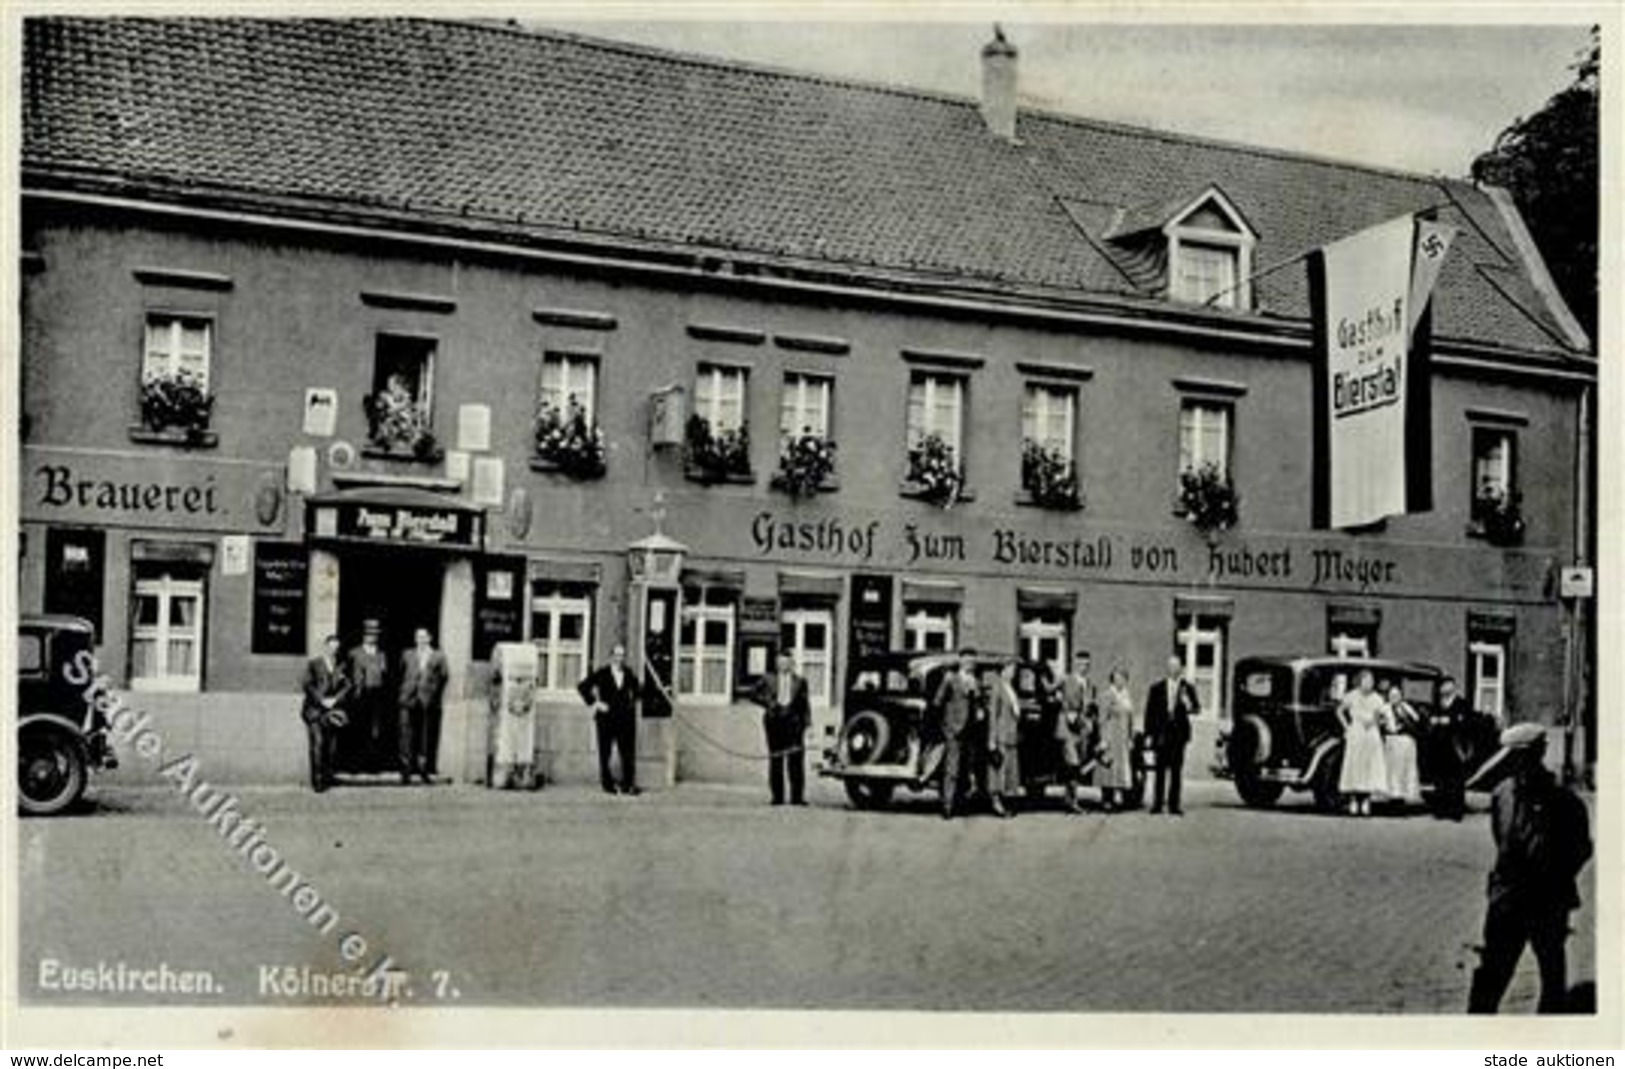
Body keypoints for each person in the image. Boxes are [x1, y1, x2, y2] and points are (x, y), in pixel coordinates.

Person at [1467, 722, 1592, 1014]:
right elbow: (1502, 840)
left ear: (1539, 754)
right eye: (1512, 759)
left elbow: (1581, 849)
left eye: (1522, 757)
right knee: (1492, 975)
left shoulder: (1565, 802)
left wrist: (1555, 875)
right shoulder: (1503, 794)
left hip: (1546, 899)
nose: (1517, 765)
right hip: (1507, 900)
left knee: (1551, 974)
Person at [577, 643, 643, 796]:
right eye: (617, 655)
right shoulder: (602, 673)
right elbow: (582, 687)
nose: (619, 659)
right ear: (611, 656)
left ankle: (628, 784)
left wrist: (633, 702)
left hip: (624, 719)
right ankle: (608, 784)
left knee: (627, 752)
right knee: (605, 752)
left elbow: (639, 690)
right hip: (606, 719)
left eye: (622, 655)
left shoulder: (628, 673)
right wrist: (595, 703)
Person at [752, 650, 811, 806]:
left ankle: (797, 798)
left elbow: (805, 705)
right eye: (781, 662)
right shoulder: (768, 679)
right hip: (774, 723)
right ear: (776, 664)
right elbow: (753, 694)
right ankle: (777, 797)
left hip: (794, 724)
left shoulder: (800, 681)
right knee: (776, 760)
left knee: (796, 761)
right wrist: (769, 703)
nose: (784, 665)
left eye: (787, 662)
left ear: (792, 664)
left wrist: (807, 724)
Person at [1143, 655, 1198, 816]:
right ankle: (1157, 804)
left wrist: (1187, 703)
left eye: (1176, 666)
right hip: (1161, 734)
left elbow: (1196, 708)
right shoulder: (1157, 688)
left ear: (1181, 668)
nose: (1173, 669)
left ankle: (1174, 805)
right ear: (1167, 669)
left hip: (1179, 735)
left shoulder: (1187, 688)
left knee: (1176, 771)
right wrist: (1149, 734)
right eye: (1171, 666)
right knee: (1160, 770)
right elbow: (1149, 713)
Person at [300, 634, 351, 793]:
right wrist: (322, 700)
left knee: (331, 746)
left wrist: (336, 699)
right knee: (318, 744)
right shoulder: (314, 664)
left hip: (333, 711)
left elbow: (348, 685)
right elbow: (307, 685)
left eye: (336, 648)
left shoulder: (341, 665)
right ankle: (318, 781)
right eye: (331, 647)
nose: (333, 650)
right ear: (325, 647)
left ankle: (328, 775)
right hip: (315, 711)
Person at [933, 649, 981, 820]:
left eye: (972, 661)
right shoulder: (950, 679)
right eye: (967, 660)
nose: (970, 664)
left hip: (970, 730)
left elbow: (976, 703)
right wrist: (946, 725)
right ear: (960, 661)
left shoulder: (975, 681)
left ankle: (961, 803)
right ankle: (947, 805)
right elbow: (937, 701)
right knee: (951, 768)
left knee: (965, 767)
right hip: (953, 728)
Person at [397, 626, 449, 785]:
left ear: (429, 638)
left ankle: (423, 770)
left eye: (423, 636)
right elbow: (400, 673)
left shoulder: (438, 656)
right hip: (408, 699)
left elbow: (444, 676)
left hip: (428, 701)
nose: (420, 639)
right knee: (405, 735)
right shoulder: (407, 654)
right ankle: (405, 771)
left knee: (425, 737)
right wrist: (404, 691)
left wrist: (433, 694)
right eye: (417, 637)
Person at [1336, 668, 1388, 816]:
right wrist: (1346, 726)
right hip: (1356, 732)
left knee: (1369, 766)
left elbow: (1383, 716)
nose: (1369, 683)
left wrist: (1375, 721)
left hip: (1371, 734)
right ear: (1360, 681)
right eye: (1366, 680)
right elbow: (1339, 711)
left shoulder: (1377, 698)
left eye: (1371, 680)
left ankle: (1366, 800)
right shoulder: (1351, 696)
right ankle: (1353, 799)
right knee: (1354, 765)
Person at [1053, 650, 1095, 814]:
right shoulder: (1066, 679)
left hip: (1082, 728)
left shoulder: (1088, 683)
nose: (1083, 667)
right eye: (1080, 664)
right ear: (1074, 664)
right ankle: (1072, 801)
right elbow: (1051, 689)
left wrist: (1089, 721)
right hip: (1067, 728)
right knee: (1073, 763)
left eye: (1086, 665)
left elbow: (1088, 705)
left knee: (1078, 764)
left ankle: (1069, 798)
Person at [346, 618, 390, 771]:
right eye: (369, 634)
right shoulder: (353, 653)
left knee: (375, 731)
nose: (372, 637)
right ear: (363, 635)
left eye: (375, 634)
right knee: (357, 729)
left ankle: (372, 764)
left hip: (376, 696)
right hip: (359, 695)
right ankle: (354, 765)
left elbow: (385, 675)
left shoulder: (381, 654)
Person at [1428, 675, 1471, 820]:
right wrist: (1434, 721)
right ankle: (1441, 810)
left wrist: (1450, 721)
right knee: (1440, 779)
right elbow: (1430, 719)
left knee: (1456, 779)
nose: (1445, 689)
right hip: (1439, 746)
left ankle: (1456, 811)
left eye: (1448, 686)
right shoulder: (1437, 703)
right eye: (1443, 686)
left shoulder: (1461, 703)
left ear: (1453, 687)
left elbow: (1465, 722)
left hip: (1454, 746)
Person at [984, 660, 1022, 819]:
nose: (1013, 673)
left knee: (1010, 771)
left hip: (1012, 735)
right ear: (1003, 670)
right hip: (1001, 735)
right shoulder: (998, 687)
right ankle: (995, 802)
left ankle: (1006, 801)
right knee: (998, 769)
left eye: (1014, 670)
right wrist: (991, 739)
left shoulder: (1010, 688)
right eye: (1011, 669)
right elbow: (993, 715)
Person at [1097, 666, 1136, 813]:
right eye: (1117, 678)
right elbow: (1102, 719)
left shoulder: (1126, 696)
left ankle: (1116, 798)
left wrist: (1131, 737)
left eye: (1123, 678)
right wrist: (1103, 739)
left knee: (1120, 770)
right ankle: (1106, 800)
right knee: (1109, 768)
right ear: (1112, 679)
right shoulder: (1107, 695)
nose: (1120, 681)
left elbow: (1130, 719)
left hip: (1123, 738)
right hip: (1111, 736)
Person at [1381, 683, 1423, 809]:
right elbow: (1379, 721)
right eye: (1392, 695)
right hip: (1392, 741)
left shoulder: (1406, 707)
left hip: (1406, 742)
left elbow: (1416, 719)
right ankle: (1393, 797)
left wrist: (1406, 720)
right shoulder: (1384, 708)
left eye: (1397, 695)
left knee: (1406, 770)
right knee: (1392, 771)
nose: (1394, 697)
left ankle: (1403, 797)